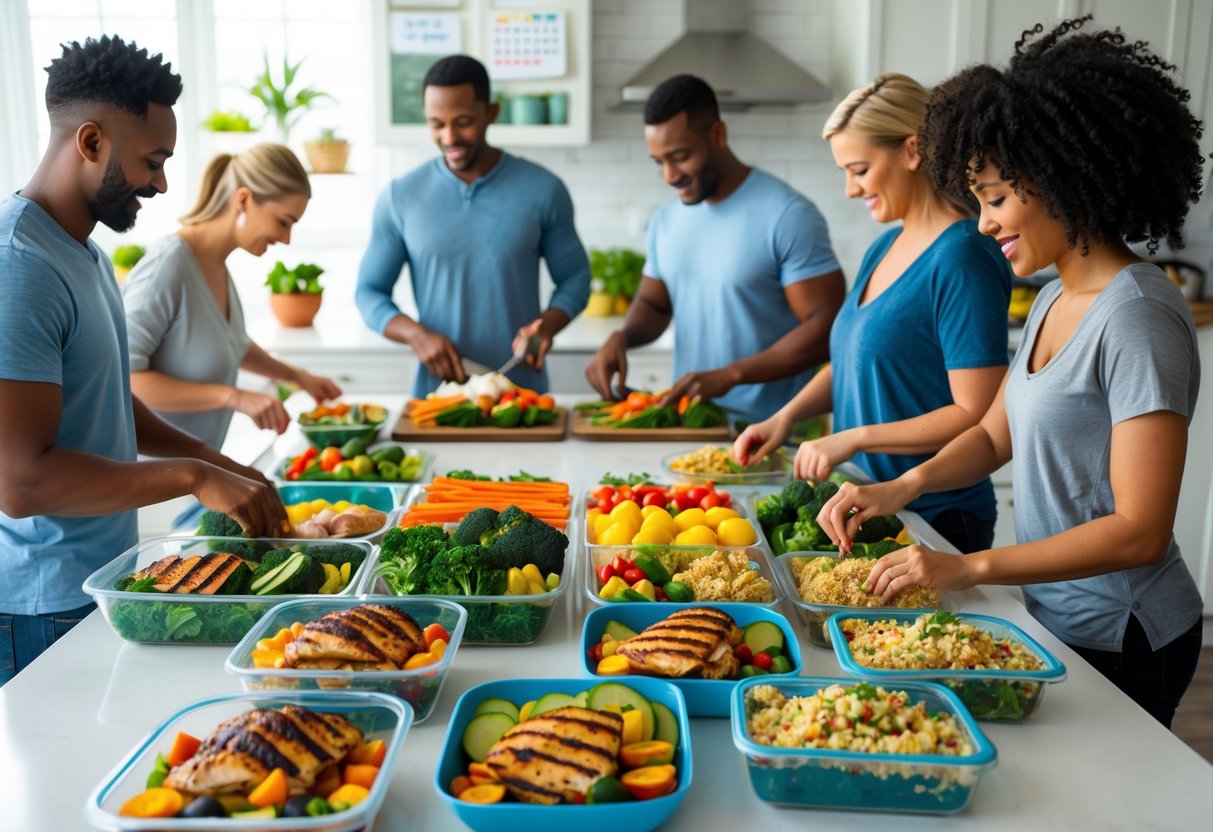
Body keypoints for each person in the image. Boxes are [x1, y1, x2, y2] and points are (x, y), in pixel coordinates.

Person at [817, 17, 1205, 727]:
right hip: (1052, 610)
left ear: (1060, 179)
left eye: (995, 198)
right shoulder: (1055, 293)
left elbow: (1139, 531)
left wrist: (969, 567)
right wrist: (896, 487)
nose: (985, 222)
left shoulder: (1139, 316)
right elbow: (993, 434)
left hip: (1126, 628)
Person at [0, 36, 287, 684]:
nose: (161, 183)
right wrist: (191, 478)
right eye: (152, 160)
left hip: (98, 583)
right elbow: (20, 483)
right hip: (40, 607)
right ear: (91, 142)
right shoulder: (21, 267)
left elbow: (107, 402)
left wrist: (224, 465)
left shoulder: (85, 254)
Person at [733, 74, 1012, 553]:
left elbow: (978, 412)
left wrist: (854, 438)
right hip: (871, 508)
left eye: (858, 169)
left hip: (936, 516)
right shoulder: (883, 247)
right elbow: (852, 362)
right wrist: (784, 417)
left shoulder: (964, 255)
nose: (849, 188)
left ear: (911, 150)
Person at [585, 74, 845, 426]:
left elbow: (826, 327)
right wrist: (623, 337)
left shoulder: (787, 215)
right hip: (691, 428)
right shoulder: (667, 221)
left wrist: (732, 374)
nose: (669, 175)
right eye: (659, 161)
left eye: (679, 157)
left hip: (773, 433)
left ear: (718, 135)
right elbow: (654, 304)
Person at [355, 54, 590, 396]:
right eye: (436, 123)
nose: (449, 137)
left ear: (490, 113)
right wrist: (416, 335)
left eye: (463, 121)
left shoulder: (544, 190)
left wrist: (545, 326)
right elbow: (369, 292)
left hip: (521, 394)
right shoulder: (400, 197)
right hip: (437, 397)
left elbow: (576, 278)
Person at [123, 143, 342, 448]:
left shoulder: (214, 265)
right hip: (156, 484)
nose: (286, 239)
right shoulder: (167, 267)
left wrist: (297, 376)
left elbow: (230, 342)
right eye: (283, 222)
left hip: (196, 474)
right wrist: (234, 397)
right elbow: (126, 381)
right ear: (244, 199)